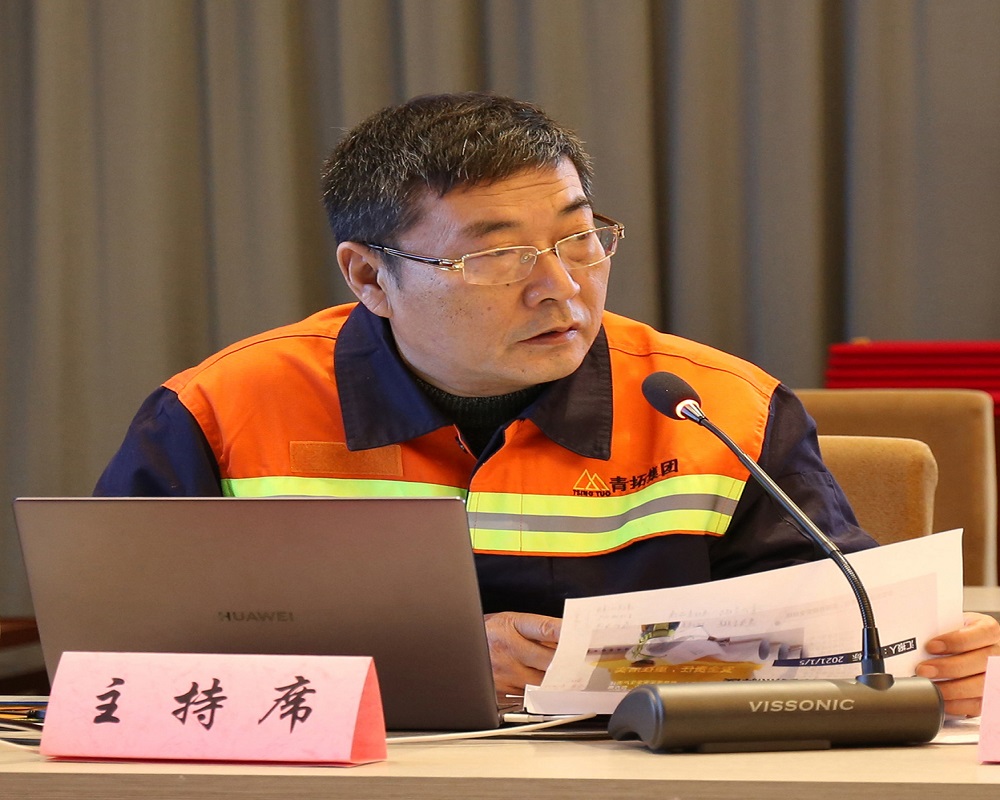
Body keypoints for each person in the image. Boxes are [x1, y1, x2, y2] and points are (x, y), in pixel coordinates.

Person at [95, 92, 999, 716]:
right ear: (369, 277)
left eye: (579, 238)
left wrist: (941, 663)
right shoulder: (223, 410)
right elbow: (113, 667)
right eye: (496, 256)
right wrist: (421, 665)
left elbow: (846, 634)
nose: (560, 288)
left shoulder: (718, 407)